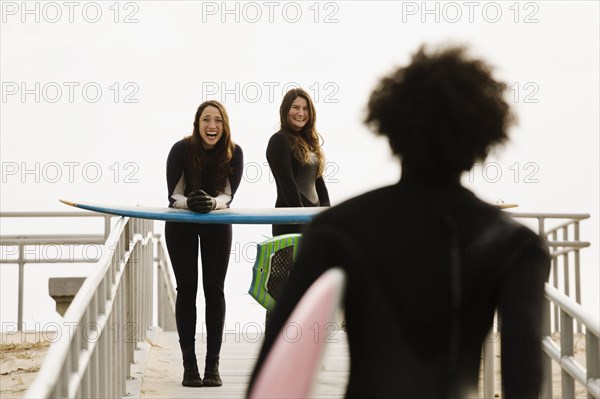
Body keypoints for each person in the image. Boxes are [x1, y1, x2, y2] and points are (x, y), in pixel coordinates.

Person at [248, 44, 551, 398]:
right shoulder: (516, 245)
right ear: (486, 136)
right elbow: (524, 380)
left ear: (389, 126)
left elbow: (269, 372)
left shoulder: (336, 229)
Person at [165, 100, 243, 387]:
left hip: (217, 224)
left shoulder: (235, 153)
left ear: (225, 125)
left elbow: (227, 196)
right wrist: (191, 203)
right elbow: (174, 196)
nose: (213, 126)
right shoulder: (181, 149)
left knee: (214, 289)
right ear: (197, 124)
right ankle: (189, 366)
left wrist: (212, 203)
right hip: (181, 224)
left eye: (218, 120)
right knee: (187, 289)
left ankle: (213, 365)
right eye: (207, 120)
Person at [266, 87, 330, 237]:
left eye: (305, 109)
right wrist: (302, 221)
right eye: (295, 108)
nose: (301, 113)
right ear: (285, 110)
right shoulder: (279, 140)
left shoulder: (310, 143)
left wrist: (327, 218)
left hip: (312, 218)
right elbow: (288, 184)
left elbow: (319, 184)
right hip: (291, 222)